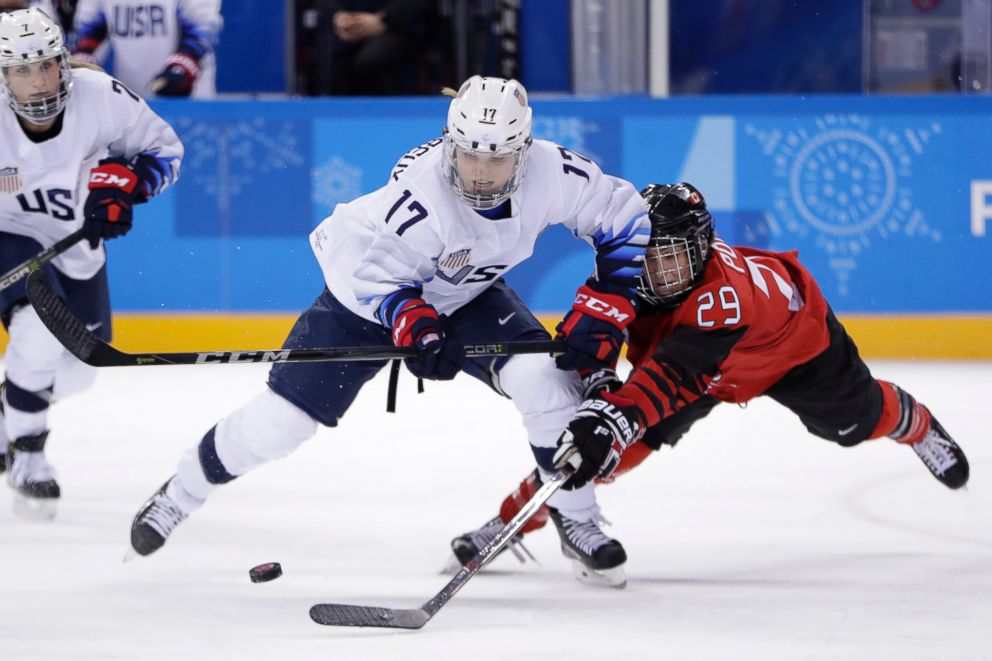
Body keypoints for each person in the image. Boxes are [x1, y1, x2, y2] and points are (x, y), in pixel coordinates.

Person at [127, 75, 650, 587]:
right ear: (451, 142)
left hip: (465, 291)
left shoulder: (554, 172)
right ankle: (181, 493)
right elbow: (380, 281)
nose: (481, 172)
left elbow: (626, 220)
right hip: (365, 297)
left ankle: (576, 515)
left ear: (524, 147)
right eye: (469, 154)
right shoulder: (423, 193)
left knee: (547, 381)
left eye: (497, 157)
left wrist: (606, 307)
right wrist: (415, 324)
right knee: (278, 426)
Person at [452, 181, 969, 571]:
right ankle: (520, 517)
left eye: (671, 259)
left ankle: (915, 422)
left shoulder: (723, 299)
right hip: (702, 368)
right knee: (601, 457)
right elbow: (589, 340)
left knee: (854, 423)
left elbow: (670, 378)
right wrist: (596, 382)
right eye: (649, 255)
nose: (656, 272)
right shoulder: (625, 268)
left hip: (790, 350)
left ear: (698, 253)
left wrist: (612, 412)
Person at [0, 7, 183, 519]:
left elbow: (166, 152)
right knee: (35, 331)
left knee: (81, 368)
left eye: (46, 65)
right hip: (8, 235)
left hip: (75, 246)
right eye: (20, 70)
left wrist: (126, 188)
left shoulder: (100, 97)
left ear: (64, 61)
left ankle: (10, 406)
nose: (37, 83)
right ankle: (28, 454)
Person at [72, 0, 222, 98]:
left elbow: (202, 29)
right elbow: (89, 33)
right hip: (131, 101)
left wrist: (181, 68)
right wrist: (79, 68)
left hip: (187, 102)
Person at [322, 0, 435, 96]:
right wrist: (338, 16)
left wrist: (384, 18)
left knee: (369, 60)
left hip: (400, 28)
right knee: (337, 58)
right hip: (350, 27)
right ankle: (346, 117)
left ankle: (388, 114)